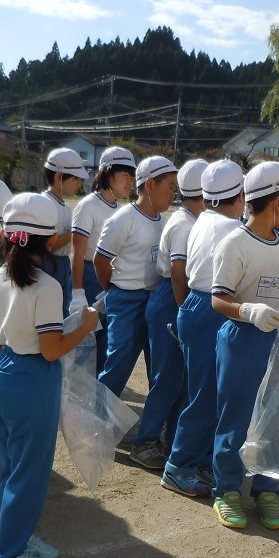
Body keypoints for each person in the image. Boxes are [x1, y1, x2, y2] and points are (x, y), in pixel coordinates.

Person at [0, 193, 100, 558]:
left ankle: (16, 537)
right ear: (50, 240)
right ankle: (5, 557)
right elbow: (51, 350)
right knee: (29, 473)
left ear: (7, 235)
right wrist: (85, 325)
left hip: (3, 368)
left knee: (13, 465)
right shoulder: (46, 285)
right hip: (33, 376)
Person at [209, 162, 279, 530]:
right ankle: (226, 490)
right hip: (243, 339)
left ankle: (267, 489)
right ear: (277, 200)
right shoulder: (234, 243)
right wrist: (248, 310)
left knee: (278, 416)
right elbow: (218, 298)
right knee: (235, 416)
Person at [161, 160, 245, 496]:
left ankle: (198, 461)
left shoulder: (205, 219)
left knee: (206, 394)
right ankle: (179, 466)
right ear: (240, 195)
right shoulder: (231, 228)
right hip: (212, 309)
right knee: (206, 397)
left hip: (197, 307)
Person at [94, 155, 178, 467]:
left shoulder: (166, 224)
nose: (173, 194)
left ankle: (152, 435)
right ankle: (95, 425)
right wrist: (114, 292)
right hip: (126, 300)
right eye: (170, 187)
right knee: (117, 365)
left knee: (160, 370)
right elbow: (101, 260)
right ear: (150, 185)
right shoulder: (123, 219)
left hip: (157, 302)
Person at [136, 158, 206, 475]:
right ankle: (144, 442)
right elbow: (178, 273)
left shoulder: (193, 220)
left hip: (176, 299)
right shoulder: (184, 224)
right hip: (172, 300)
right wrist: (185, 315)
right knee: (166, 379)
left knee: (180, 380)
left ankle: (170, 439)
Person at [70, 146, 136, 374]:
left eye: (132, 176)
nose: (130, 182)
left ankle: (97, 390)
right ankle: (78, 392)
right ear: (107, 174)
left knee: (105, 343)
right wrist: (77, 292)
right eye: (125, 175)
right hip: (88, 276)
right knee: (85, 344)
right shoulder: (88, 205)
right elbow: (77, 252)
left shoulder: (120, 209)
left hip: (109, 279)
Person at [42, 147, 89, 317]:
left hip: (63, 264)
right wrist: (75, 233)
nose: (79, 184)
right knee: (50, 312)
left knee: (63, 313)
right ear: (59, 176)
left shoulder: (65, 207)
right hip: (49, 264)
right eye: (75, 179)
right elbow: (48, 245)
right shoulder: (44, 203)